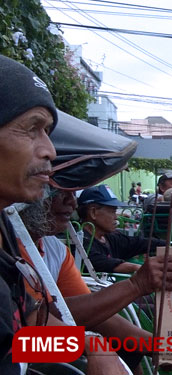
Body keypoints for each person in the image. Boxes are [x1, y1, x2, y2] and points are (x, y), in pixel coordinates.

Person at [0, 55, 125, 374]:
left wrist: (89, 344)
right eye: (32, 129)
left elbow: (28, 330)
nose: (50, 151)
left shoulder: (7, 232)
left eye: (48, 131)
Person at [18, 188, 172, 372]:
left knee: (129, 348)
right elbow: (26, 334)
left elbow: (90, 315)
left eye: (72, 193)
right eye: (58, 191)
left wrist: (160, 347)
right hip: (19, 350)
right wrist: (91, 344)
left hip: (35, 344)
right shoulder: (10, 250)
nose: (72, 203)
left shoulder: (55, 249)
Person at [77, 185, 168, 273]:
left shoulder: (110, 238)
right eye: (112, 212)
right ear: (93, 212)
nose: (116, 217)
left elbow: (137, 243)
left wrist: (169, 244)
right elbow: (99, 262)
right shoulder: (78, 241)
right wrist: (137, 268)